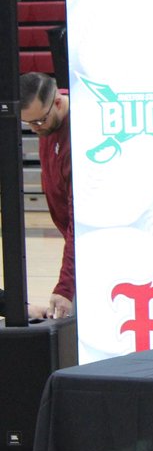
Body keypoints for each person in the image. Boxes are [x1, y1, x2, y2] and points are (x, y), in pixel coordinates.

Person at [19, 72, 74, 319]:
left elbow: (79, 221)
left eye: (39, 121)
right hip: (75, 247)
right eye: (28, 124)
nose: (35, 129)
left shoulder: (81, 136)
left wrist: (66, 286)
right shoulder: (47, 126)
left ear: (59, 102)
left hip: (95, 247)